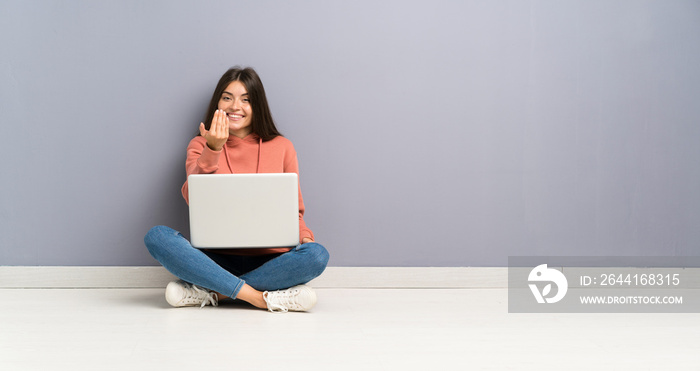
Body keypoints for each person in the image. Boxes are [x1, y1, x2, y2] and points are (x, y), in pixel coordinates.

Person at [144, 67, 329, 312]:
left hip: (271, 259)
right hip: (215, 259)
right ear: (217, 103)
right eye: (227, 97)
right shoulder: (200, 144)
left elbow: (294, 210)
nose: (235, 106)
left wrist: (304, 236)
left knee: (317, 255)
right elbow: (193, 197)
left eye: (246, 99)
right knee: (157, 237)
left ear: (258, 105)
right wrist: (213, 148)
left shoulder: (282, 146)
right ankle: (260, 297)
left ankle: (215, 293)